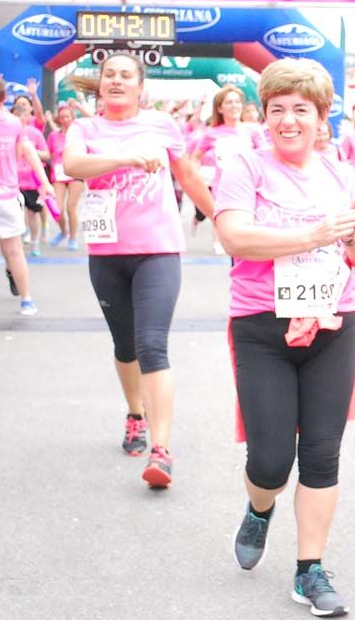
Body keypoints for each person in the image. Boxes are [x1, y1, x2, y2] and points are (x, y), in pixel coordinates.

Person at [215, 57, 355, 618]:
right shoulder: (245, 168)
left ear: (321, 116)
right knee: (270, 461)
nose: (289, 120)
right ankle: (259, 508)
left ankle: (310, 569)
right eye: (278, 109)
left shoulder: (341, 174)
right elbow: (235, 237)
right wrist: (313, 233)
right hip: (262, 327)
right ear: (265, 116)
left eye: (301, 109)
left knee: (322, 453)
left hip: (334, 324)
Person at [63, 53, 214, 487]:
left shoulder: (162, 125)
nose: (116, 80)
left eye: (126, 75)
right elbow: (73, 166)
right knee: (125, 345)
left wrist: (222, 219)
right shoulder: (84, 129)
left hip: (157, 251)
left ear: (140, 86)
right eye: (109, 74)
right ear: (101, 83)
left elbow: (188, 177)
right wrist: (127, 158)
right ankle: (135, 413)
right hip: (108, 254)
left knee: (152, 346)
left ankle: (161, 452)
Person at [0, 76, 52, 315]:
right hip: (6, 195)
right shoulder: (14, 123)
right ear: (4, 97)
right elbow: (25, 152)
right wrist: (45, 182)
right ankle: (26, 300)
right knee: (14, 250)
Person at [191, 85, 265, 254]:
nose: (234, 106)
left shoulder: (253, 130)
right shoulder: (212, 133)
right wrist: (197, 179)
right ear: (220, 108)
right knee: (227, 224)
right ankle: (219, 242)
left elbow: (265, 156)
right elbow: (195, 157)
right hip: (223, 188)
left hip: (251, 187)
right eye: (229, 102)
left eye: (237, 102)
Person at [12, 104, 50, 256]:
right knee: (15, 214)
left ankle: (35, 242)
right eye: (16, 115)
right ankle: (17, 243)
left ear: (28, 117)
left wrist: (32, 152)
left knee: (33, 213)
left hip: (32, 181)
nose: (20, 118)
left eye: (23, 115)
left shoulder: (35, 133)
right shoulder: (9, 134)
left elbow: (47, 154)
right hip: (13, 181)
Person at [47, 104, 84, 250]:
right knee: (58, 208)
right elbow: (48, 154)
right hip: (58, 174)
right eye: (62, 117)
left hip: (76, 172)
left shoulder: (79, 134)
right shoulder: (53, 136)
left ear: (72, 117)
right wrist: (32, 152)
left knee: (71, 207)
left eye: (67, 117)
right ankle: (63, 232)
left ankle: (73, 238)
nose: (65, 120)